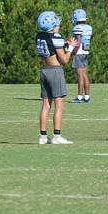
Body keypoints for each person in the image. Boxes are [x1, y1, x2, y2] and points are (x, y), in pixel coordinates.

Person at [34, 11, 77, 144]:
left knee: (46, 104)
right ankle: (57, 136)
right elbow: (64, 60)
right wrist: (70, 48)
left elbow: (51, 44)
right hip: (55, 71)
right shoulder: (55, 37)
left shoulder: (39, 36)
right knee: (59, 104)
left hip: (44, 70)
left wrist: (64, 43)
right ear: (52, 25)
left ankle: (42, 137)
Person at [71, 8, 93, 103]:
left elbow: (78, 41)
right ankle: (87, 96)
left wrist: (72, 51)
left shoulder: (77, 28)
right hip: (86, 51)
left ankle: (79, 97)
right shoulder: (88, 27)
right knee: (84, 74)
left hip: (79, 52)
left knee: (80, 75)